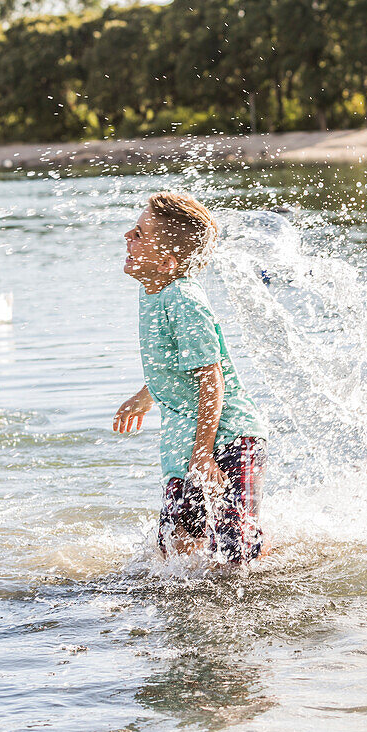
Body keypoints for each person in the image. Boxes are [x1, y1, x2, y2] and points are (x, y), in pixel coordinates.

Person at [113, 193, 268, 564]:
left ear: (167, 262)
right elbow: (175, 364)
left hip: (228, 437)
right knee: (172, 547)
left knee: (236, 550)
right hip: (186, 444)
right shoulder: (151, 291)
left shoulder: (183, 299)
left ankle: (275, 575)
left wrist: (203, 452)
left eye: (139, 233)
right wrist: (148, 394)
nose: (126, 236)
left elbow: (212, 378)